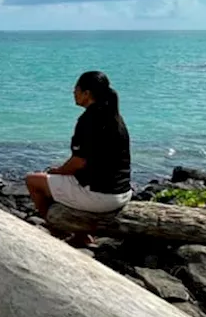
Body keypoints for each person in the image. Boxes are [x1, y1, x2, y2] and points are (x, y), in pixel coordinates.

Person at [25, 70, 132, 227]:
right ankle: (81, 236)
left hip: (101, 197)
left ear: (86, 93)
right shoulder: (115, 118)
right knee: (60, 181)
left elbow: (78, 162)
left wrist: (58, 171)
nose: (73, 93)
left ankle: (56, 230)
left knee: (33, 181)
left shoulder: (88, 120)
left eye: (76, 89)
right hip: (123, 192)